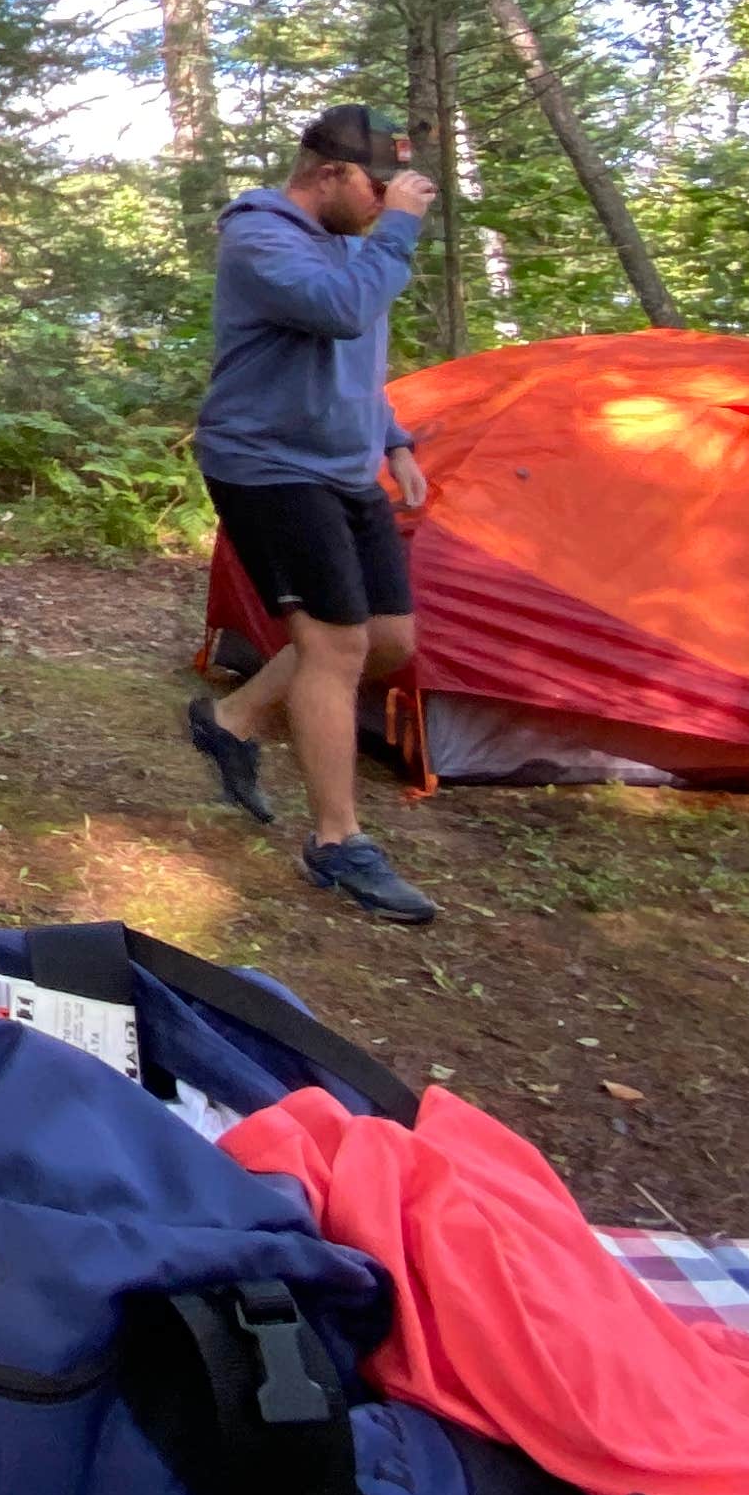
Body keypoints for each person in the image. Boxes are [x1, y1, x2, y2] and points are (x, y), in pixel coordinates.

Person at [183, 103, 444, 924]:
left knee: (389, 641)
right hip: (267, 465)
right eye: (375, 186)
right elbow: (338, 310)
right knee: (332, 645)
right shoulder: (258, 238)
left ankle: (231, 716)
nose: (383, 203)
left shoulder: (343, 244)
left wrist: (394, 437)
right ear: (327, 174)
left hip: (342, 465)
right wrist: (397, 230)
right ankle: (339, 844)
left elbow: (354, 350)